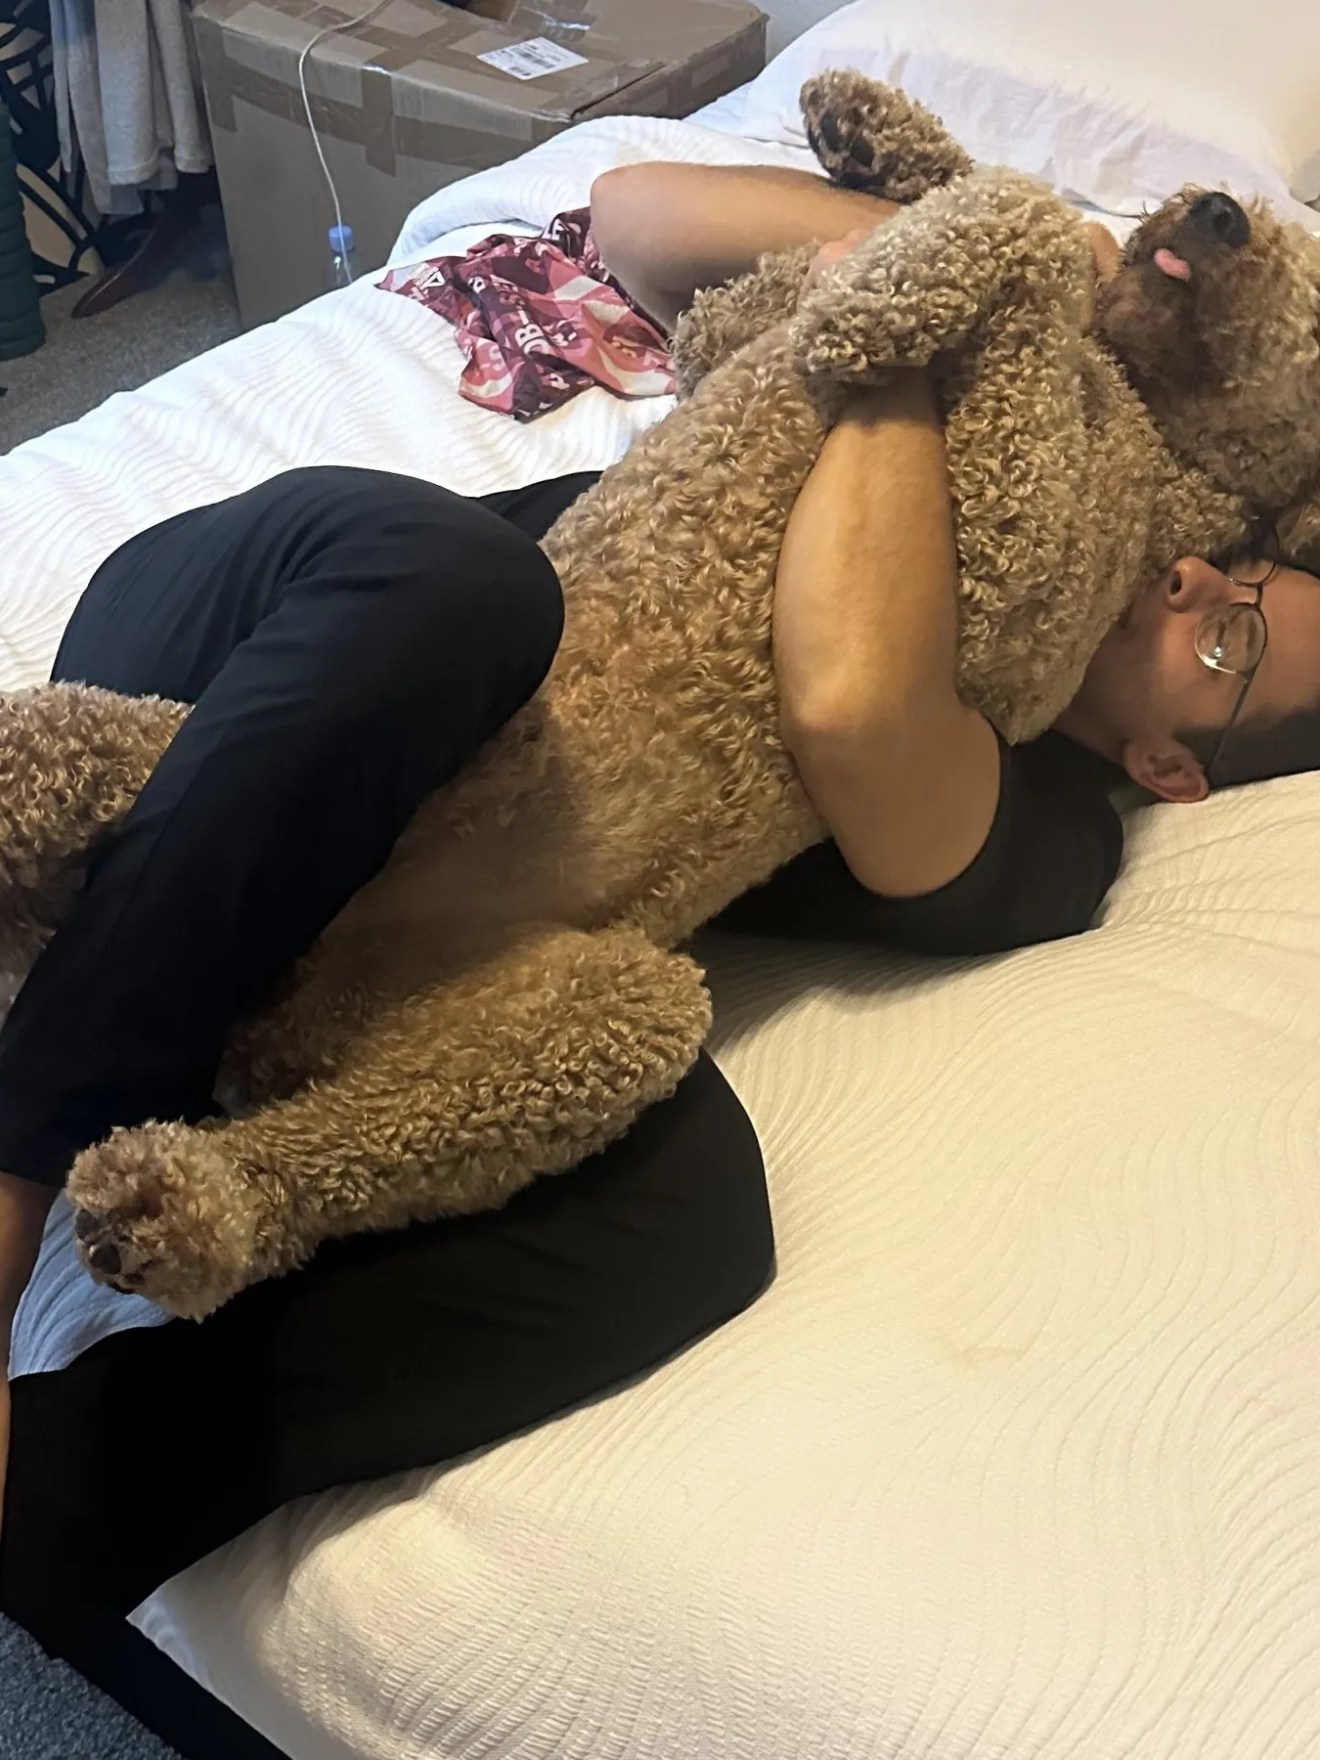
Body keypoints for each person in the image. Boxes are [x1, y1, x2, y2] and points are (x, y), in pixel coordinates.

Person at [3, 159, 1320, 1731]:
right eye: (1225, 569)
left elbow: (848, 696)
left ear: (1179, 763)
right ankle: (16, 1173)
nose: (1186, 579)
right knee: (462, 588)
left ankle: (54, 1501)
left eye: (1224, 639)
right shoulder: (1034, 346)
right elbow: (632, 217)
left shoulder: (1048, 828)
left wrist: (899, 344)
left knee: (693, 1216)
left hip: (405, 930)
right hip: (265, 663)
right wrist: (1019, 253)